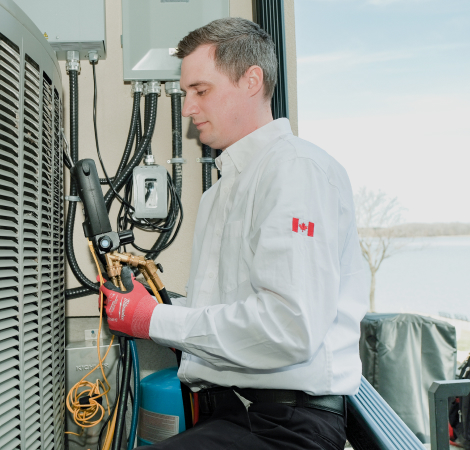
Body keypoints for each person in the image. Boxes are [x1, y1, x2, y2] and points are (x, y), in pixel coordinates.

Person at [99, 17, 370, 450]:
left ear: (251, 81)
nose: (187, 108)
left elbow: (288, 327)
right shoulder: (222, 191)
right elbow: (233, 310)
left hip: (286, 427)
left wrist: (153, 320)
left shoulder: (296, 170)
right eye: (186, 93)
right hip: (234, 415)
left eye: (200, 91)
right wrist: (152, 307)